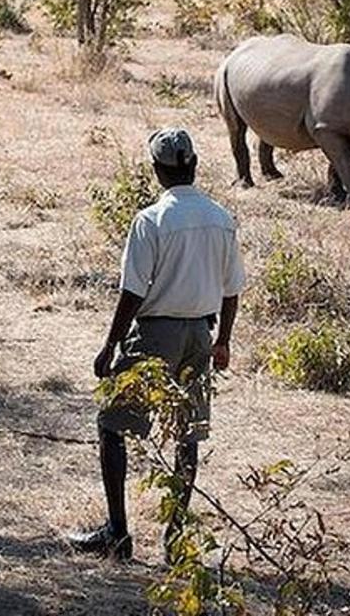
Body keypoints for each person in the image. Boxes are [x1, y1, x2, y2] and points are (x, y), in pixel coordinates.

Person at [69, 128, 245, 561]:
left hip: (155, 333)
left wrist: (110, 345)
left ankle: (118, 533)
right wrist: (222, 340)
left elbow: (132, 290)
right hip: (199, 337)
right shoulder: (220, 217)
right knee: (187, 435)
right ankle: (177, 537)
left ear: (157, 171)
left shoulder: (151, 220)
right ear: (194, 165)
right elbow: (232, 288)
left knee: (112, 425)